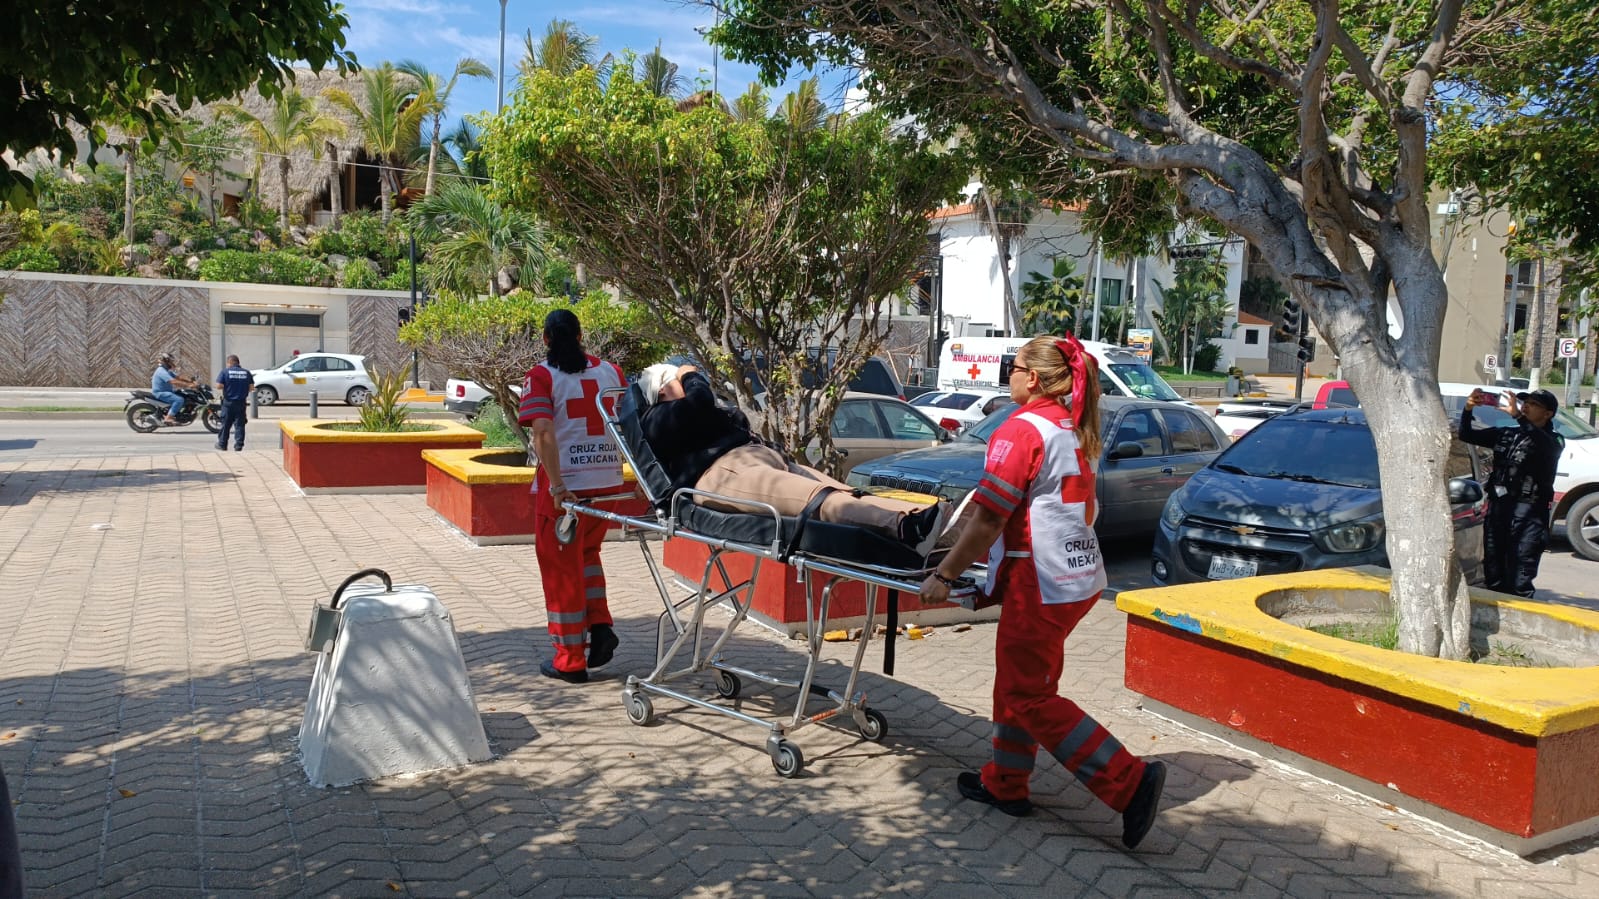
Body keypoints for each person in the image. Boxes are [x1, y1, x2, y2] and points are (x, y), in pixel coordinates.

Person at [918, 334, 1166, 850]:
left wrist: (944, 575)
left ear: (1031, 378)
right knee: (1018, 681)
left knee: (1027, 693)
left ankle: (1128, 781)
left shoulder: (1021, 429)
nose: (1007, 376)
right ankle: (1006, 783)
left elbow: (989, 517)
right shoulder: (1072, 428)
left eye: (1011, 367)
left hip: (1042, 578)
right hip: (1075, 576)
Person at [636, 362, 947, 553]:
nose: (685, 384)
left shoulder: (690, 415)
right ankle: (906, 527)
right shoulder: (657, 417)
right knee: (820, 501)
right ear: (662, 390)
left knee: (847, 493)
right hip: (722, 473)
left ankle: (932, 521)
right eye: (676, 381)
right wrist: (690, 375)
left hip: (754, 458)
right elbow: (700, 399)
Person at [517, 309, 625, 684]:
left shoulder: (541, 376)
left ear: (545, 338)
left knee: (560, 568)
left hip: (568, 492)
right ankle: (599, 626)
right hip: (608, 484)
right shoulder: (611, 372)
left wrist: (558, 486)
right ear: (580, 336)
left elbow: (543, 432)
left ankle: (570, 659)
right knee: (587, 556)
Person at [1458, 388, 1564, 597]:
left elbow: (1542, 444)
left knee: (1519, 578)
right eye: (1526, 402)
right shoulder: (1507, 433)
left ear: (1548, 414)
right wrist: (1468, 409)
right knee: (1493, 571)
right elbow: (1465, 434)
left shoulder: (1555, 440)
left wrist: (1517, 415)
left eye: (1534, 404)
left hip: (1529, 513)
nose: (1526, 406)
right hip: (1499, 509)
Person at [213, 354, 254, 451]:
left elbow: (218, 386)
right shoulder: (246, 372)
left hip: (228, 403)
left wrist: (228, 386)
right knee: (240, 425)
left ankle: (222, 444)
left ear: (229, 362)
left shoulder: (225, 372)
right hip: (241, 403)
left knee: (226, 424)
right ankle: (238, 445)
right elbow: (251, 388)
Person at [150, 353, 197, 425]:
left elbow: (178, 377)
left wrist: (190, 381)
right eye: (171, 361)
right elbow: (173, 381)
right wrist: (189, 385)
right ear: (166, 361)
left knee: (184, 394)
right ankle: (168, 418)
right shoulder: (161, 371)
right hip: (160, 393)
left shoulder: (167, 371)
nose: (172, 363)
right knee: (179, 400)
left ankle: (178, 413)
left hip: (167, 391)